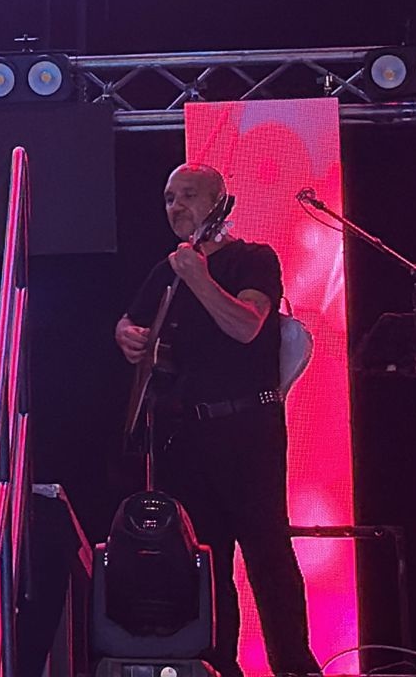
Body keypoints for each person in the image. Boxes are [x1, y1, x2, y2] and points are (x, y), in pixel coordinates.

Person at [115, 164, 320, 677]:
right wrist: (126, 335)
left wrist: (199, 278)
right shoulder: (168, 269)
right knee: (206, 559)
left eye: (188, 195)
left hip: (248, 428)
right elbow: (131, 319)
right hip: (188, 434)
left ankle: (295, 666)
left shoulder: (252, 259)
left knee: (267, 553)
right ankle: (219, 666)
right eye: (169, 198)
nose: (176, 207)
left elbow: (247, 325)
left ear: (218, 203)